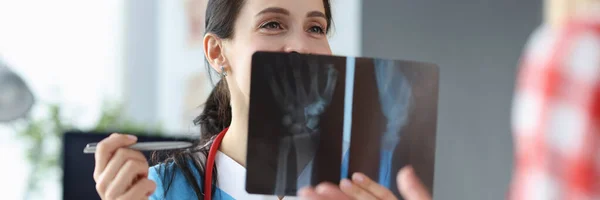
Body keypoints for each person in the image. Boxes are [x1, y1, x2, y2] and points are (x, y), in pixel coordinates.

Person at [91, 0, 433, 199]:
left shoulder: (381, 177)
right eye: (272, 24)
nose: (300, 47)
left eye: (316, 28)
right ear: (217, 51)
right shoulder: (158, 190)